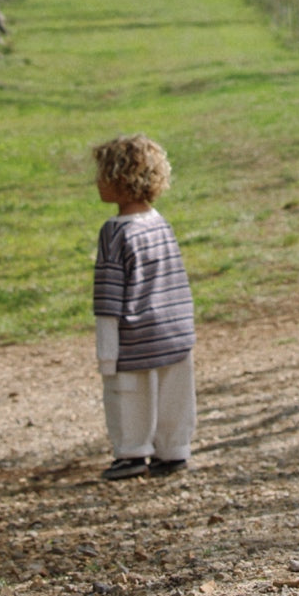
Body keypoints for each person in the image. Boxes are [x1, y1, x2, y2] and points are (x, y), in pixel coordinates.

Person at [91, 134, 197, 480]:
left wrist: (107, 353)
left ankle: (132, 452)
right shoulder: (160, 223)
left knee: (127, 394)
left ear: (120, 180)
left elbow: (109, 295)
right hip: (175, 329)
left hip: (135, 333)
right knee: (175, 397)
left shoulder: (114, 232)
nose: (96, 182)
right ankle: (174, 449)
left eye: (101, 174)